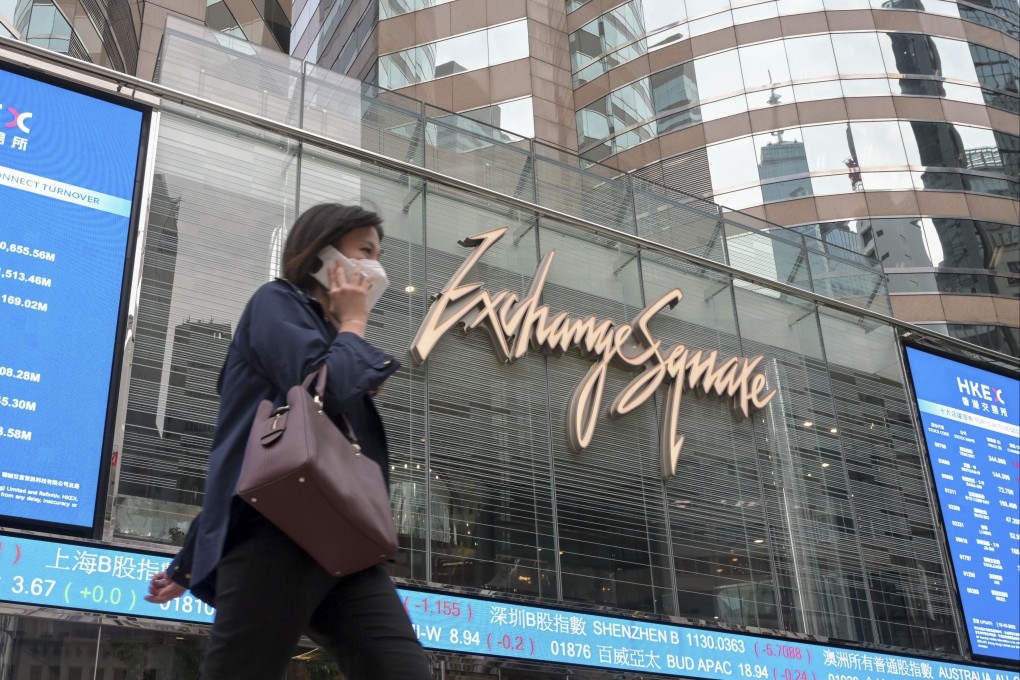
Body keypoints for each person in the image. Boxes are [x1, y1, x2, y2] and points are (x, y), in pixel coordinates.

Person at [145, 204, 430, 680]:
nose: (375, 266)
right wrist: (354, 324)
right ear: (323, 255)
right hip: (275, 529)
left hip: (344, 537)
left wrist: (183, 567)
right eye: (365, 251)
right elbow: (312, 401)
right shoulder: (275, 303)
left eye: (379, 255)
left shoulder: (335, 339)